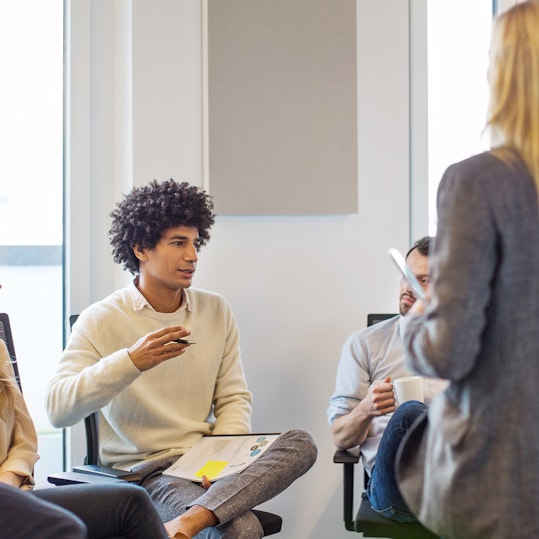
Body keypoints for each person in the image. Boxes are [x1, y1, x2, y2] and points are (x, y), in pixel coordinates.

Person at [45, 179, 317, 539]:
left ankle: (191, 520)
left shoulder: (215, 309)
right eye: (178, 243)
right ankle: (198, 518)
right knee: (240, 529)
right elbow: (58, 409)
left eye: (194, 242)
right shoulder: (102, 318)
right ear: (141, 248)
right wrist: (132, 361)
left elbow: (233, 397)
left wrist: (225, 465)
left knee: (301, 443)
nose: (192, 255)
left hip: (206, 462)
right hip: (146, 473)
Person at [395, 3, 539, 538]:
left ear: (504, 73)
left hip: (503, 474)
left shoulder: (478, 182)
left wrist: (417, 317)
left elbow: (450, 352)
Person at [0, 333, 169, 539]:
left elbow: (24, 441)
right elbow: (59, 408)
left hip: (10, 496)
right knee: (66, 528)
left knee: (132, 501)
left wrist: (7, 484)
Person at [327, 236, 447, 522]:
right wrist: (367, 408)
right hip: (394, 487)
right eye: (405, 276)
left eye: (424, 280)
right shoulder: (365, 344)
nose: (407, 288)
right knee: (410, 411)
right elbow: (340, 438)